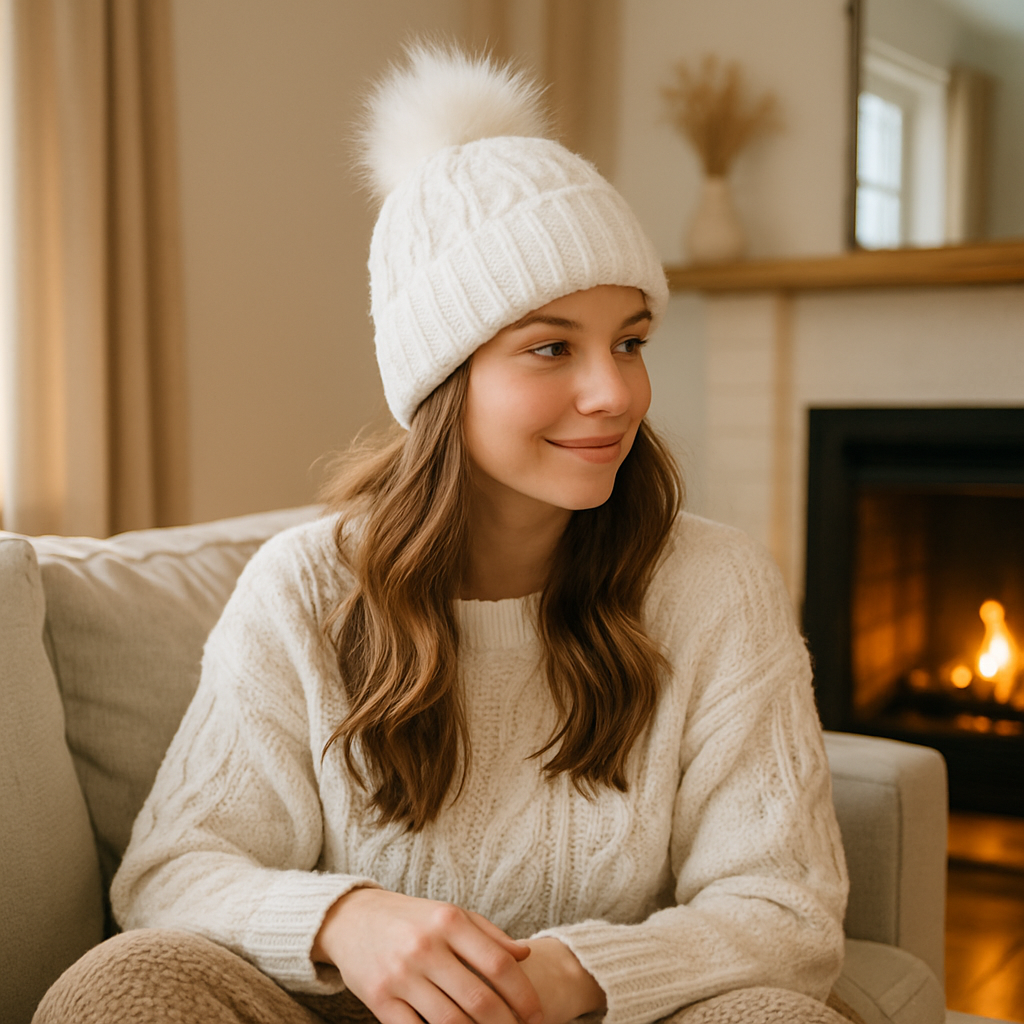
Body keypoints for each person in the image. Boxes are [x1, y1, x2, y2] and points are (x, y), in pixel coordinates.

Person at [34, 45, 850, 1024]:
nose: (614, 393)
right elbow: (171, 873)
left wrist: (571, 976)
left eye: (629, 341)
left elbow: (784, 912)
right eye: (551, 346)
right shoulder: (304, 586)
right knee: (116, 988)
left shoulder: (713, 585)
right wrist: (347, 918)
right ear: (441, 380)